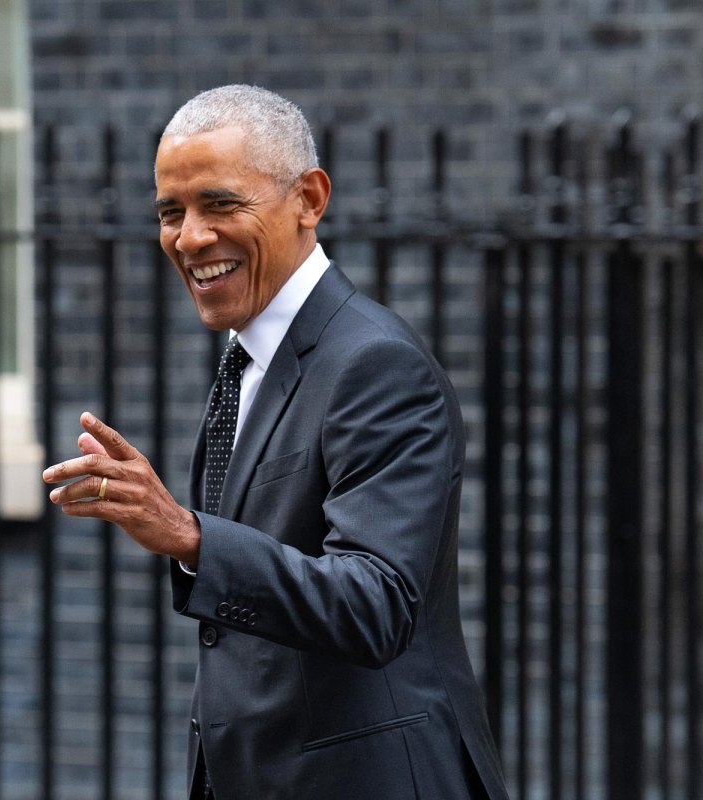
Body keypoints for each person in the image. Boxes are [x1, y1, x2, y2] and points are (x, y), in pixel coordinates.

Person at [43, 85, 509, 799]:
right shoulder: (250, 358)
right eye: (171, 212)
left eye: (221, 205)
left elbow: (375, 603)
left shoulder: (374, 362)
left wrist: (192, 537)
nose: (190, 237)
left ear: (309, 199)